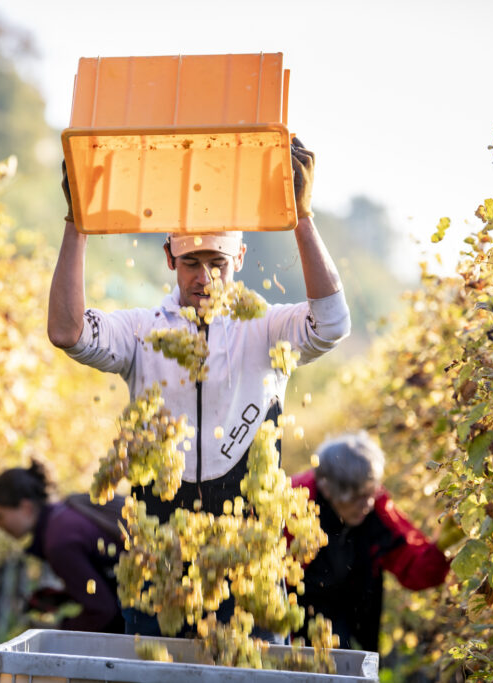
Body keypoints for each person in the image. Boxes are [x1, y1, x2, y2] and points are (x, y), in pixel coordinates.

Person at [48, 139, 352, 636]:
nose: (206, 277)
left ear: (241, 257)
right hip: (158, 555)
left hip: (246, 554)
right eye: (191, 263)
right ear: (169, 258)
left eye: (219, 262)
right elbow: (68, 332)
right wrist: (76, 223)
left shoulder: (268, 328)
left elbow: (332, 324)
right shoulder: (144, 332)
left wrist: (301, 216)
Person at [291, 432, 450, 652]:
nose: (366, 504)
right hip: (292, 617)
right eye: (356, 498)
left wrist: (445, 546)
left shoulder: (377, 507)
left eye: (370, 493)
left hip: (348, 619)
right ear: (327, 489)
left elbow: (413, 565)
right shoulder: (292, 505)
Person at [0, 462, 125, 633]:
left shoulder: (58, 542)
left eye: (0, 516)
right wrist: (65, 596)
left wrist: (54, 632)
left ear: (26, 508)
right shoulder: (63, 516)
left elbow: (102, 611)